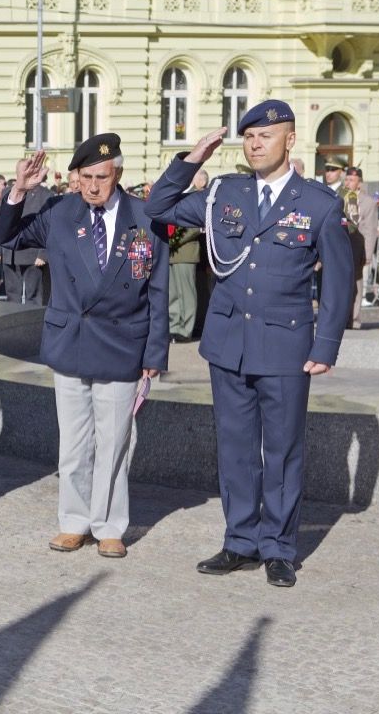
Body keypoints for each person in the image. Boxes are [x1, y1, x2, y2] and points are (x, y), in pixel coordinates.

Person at [145, 100, 353, 587]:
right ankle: (240, 541)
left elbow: (340, 282)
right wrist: (192, 158)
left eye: (266, 135)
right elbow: (158, 207)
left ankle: (279, 547)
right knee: (236, 448)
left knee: (281, 450)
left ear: (290, 140)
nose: (255, 144)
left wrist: (325, 346)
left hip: (285, 346)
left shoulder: (318, 203)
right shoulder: (223, 192)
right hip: (229, 343)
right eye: (250, 136)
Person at [0, 134, 169, 558]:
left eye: (101, 177)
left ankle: (109, 525)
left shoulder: (145, 217)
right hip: (70, 341)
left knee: (114, 443)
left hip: (122, 344)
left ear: (118, 175)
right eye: (86, 176)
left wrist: (155, 352)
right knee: (73, 443)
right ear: (75, 177)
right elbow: (5, 237)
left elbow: (159, 289)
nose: (92, 186)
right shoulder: (59, 211)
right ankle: (74, 522)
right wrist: (19, 190)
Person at [0, 157, 54, 306]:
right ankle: (11, 324)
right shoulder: (8, 192)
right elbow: (1, 222)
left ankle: (32, 327)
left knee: (33, 296)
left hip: (33, 255)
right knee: (11, 295)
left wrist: (43, 254)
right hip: (10, 254)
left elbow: (49, 227)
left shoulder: (46, 195)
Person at [168, 169, 208, 342]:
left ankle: (186, 329)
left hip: (185, 251)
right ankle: (174, 326)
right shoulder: (180, 194)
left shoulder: (197, 197)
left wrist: (174, 240)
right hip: (172, 252)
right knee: (173, 293)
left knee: (187, 293)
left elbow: (194, 226)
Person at [340, 166, 378, 329]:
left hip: (357, 247)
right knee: (339, 283)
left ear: (359, 183)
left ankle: (354, 318)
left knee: (356, 282)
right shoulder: (339, 198)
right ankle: (340, 318)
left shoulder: (368, 202)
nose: (348, 183)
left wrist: (368, 254)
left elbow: (370, 229)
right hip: (340, 246)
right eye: (347, 179)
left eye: (352, 180)